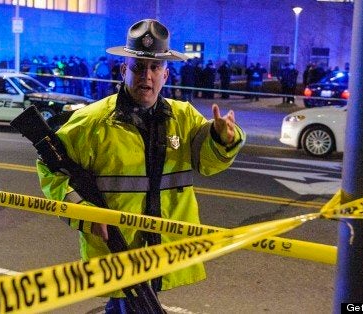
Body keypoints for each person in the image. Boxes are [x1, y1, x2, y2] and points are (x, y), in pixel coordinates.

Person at [36, 19, 245, 313]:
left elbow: (209, 164)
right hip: (116, 250)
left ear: (166, 74)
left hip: (164, 250)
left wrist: (223, 139)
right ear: (124, 70)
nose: (146, 76)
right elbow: (50, 170)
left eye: (154, 68)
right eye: (137, 67)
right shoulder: (91, 122)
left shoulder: (184, 117)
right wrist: (84, 213)